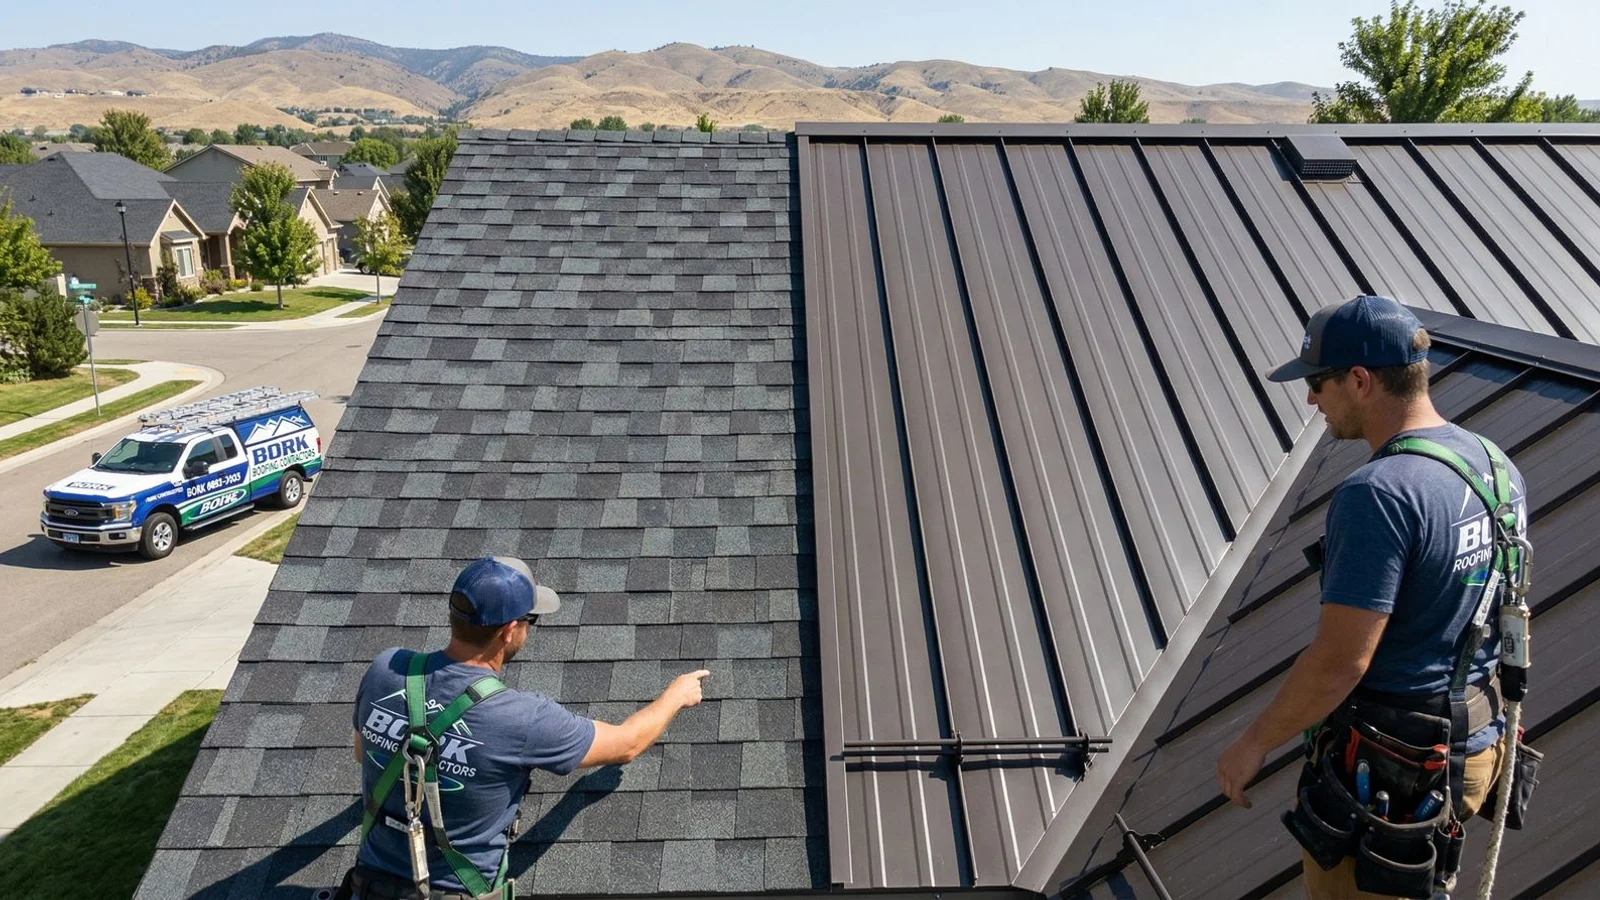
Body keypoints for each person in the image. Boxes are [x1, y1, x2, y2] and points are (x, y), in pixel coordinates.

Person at [1215, 296, 1527, 899]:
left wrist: (1252, 744)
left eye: (1317, 382)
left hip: (1393, 774)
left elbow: (1341, 662)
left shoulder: (1378, 494)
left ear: (1359, 380)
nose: (1311, 400)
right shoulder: (1493, 464)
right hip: (1470, 748)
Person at [343, 556, 710, 899]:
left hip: (367, 887)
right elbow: (626, 744)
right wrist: (676, 695)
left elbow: (365, 755)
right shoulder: (522, 718)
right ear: (508, 631)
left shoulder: (386, 668)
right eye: (530, 621)